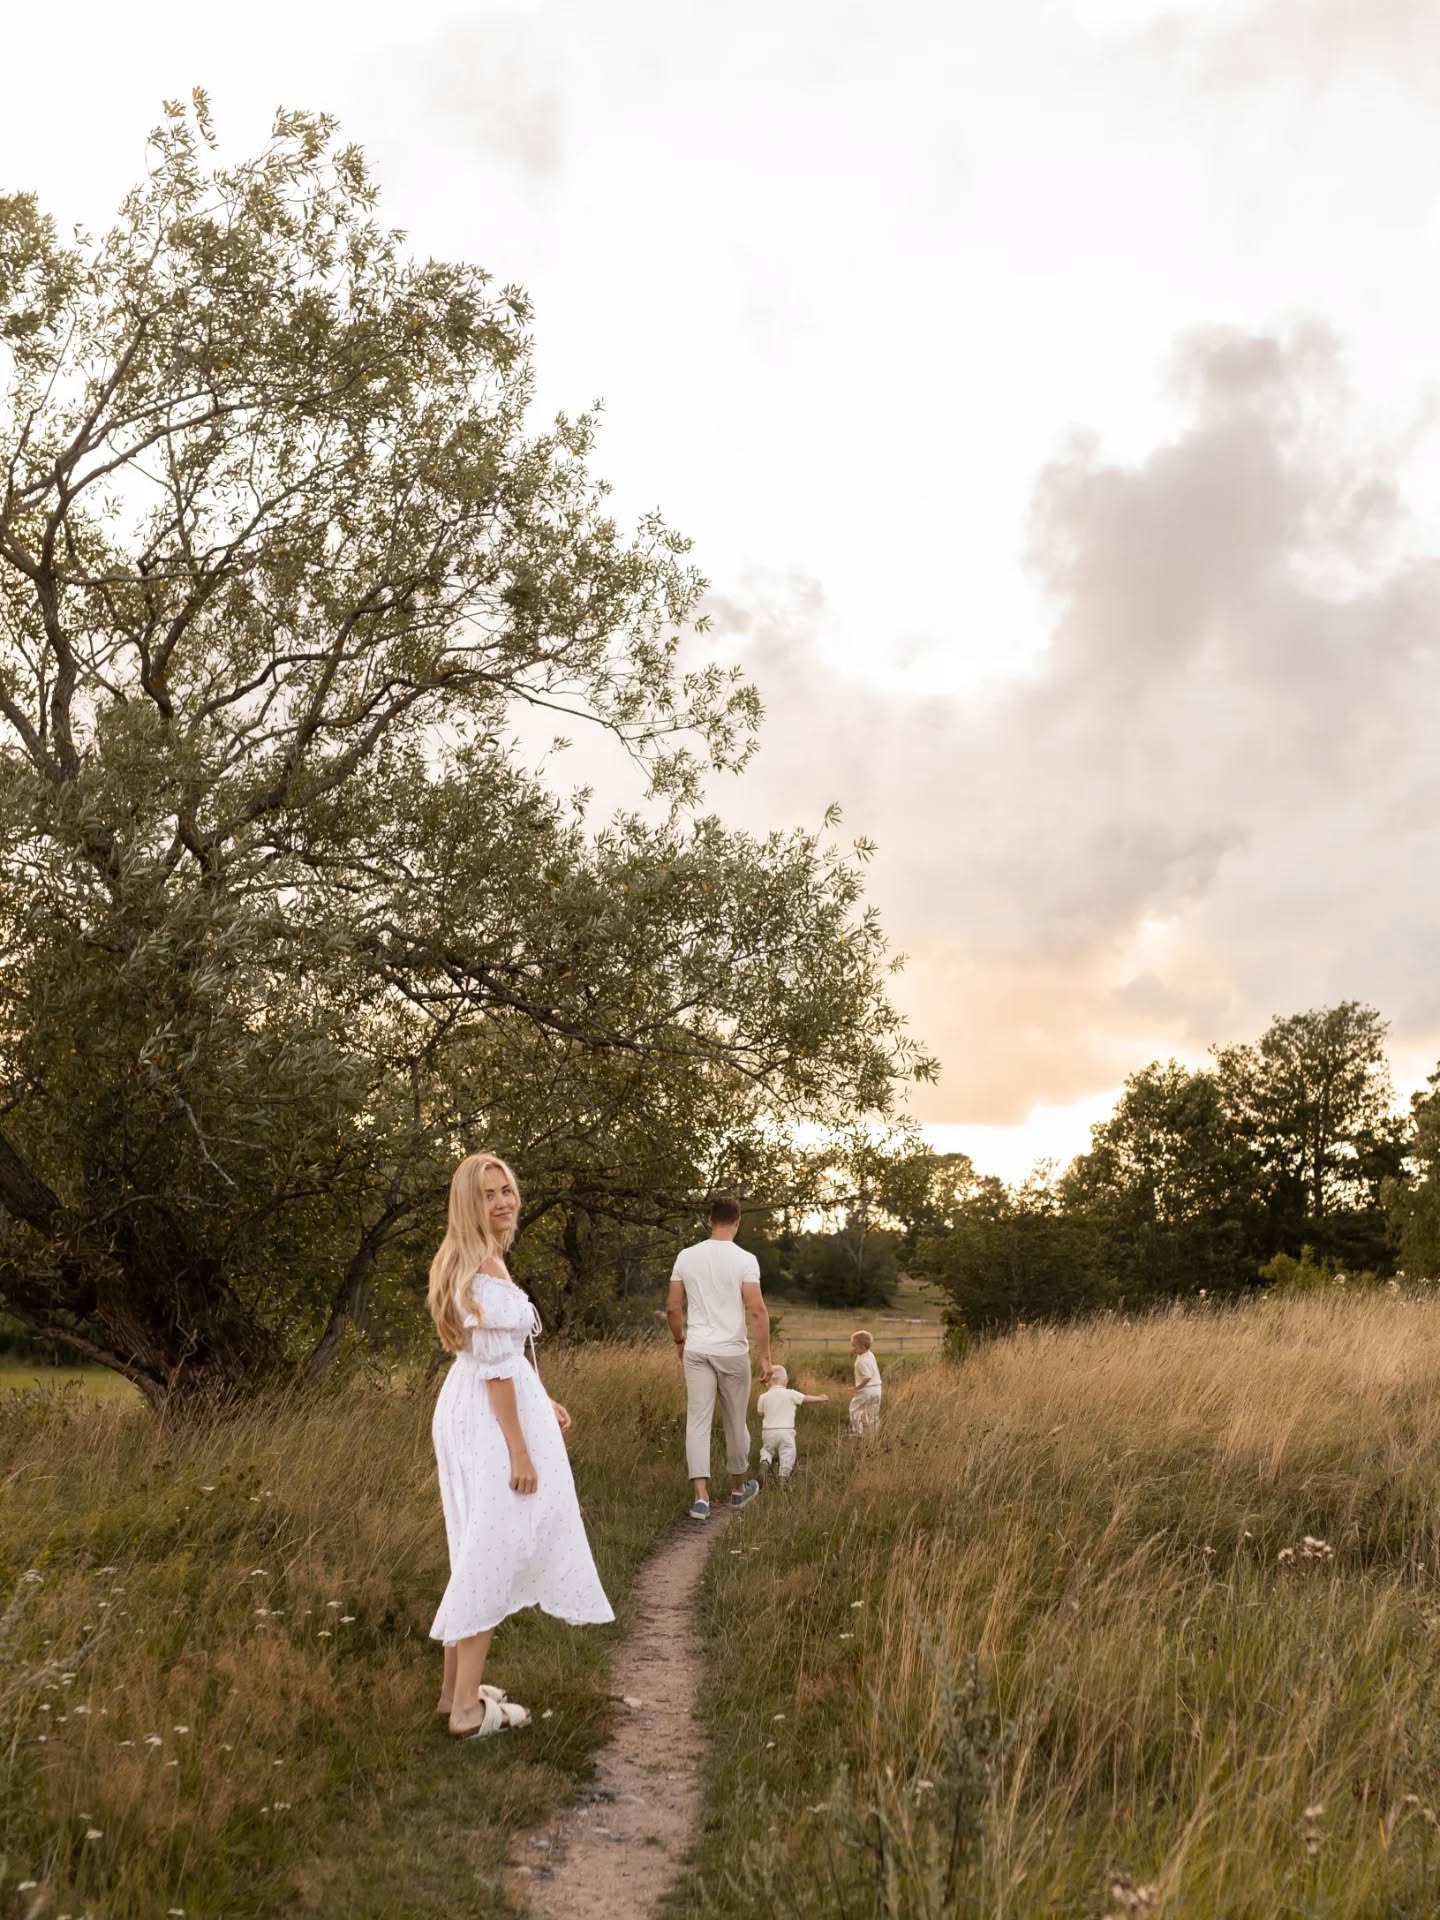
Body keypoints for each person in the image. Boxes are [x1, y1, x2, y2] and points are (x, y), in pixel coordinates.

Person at [427, 1151, 614, 1740]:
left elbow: (500, 1360)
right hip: (488, 1418)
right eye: (489, 1194)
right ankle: (464, 1714)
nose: (504, 1201)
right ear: (469, 1204)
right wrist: (520, 1449)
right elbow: (498, 1370)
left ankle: (452, 1693)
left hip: (467, 1405)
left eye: (507, 1189)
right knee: (493, 1549)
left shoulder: (465, 1258)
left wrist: (544, 1399)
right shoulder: (485, 1267)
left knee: (472, 1543)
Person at [665, 1194, 772, 1521]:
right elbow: (756, 1309)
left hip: (697, 1349)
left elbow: (672, 1308)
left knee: (697, 1420)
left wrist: (680, 1341)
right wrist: (765, 1356)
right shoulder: (745, 1260)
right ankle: (739, 1491)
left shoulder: (686, 1256)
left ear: (710, 1220)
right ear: (737, 1222)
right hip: (731, 1351)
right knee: (735, 1419)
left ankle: (701, 1499)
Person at [756, 1364, 828, 1485]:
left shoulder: (763, 1397)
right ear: (785, 1381)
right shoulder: (790, 1393)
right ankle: (783, 1477)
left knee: (767, 1450)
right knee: (788, 1451)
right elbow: (806, 1399)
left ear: (767, 1382)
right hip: (786, 1432)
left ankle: (764, 1462)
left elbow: (760, 1413)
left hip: (768, 1431)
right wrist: (820, 1398)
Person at [848, 1329, 882, 1436]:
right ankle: (873, 1434)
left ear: (862, 1348)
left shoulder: (860, 1361)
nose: (852, 1348)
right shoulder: (870, 1354)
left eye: (854, 1346)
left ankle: (858, 1433)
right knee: (873, 1413)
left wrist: (856, 1388)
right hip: (877, 1389)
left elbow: (867, 1377)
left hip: (866, 1389)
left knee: (854, 1410)